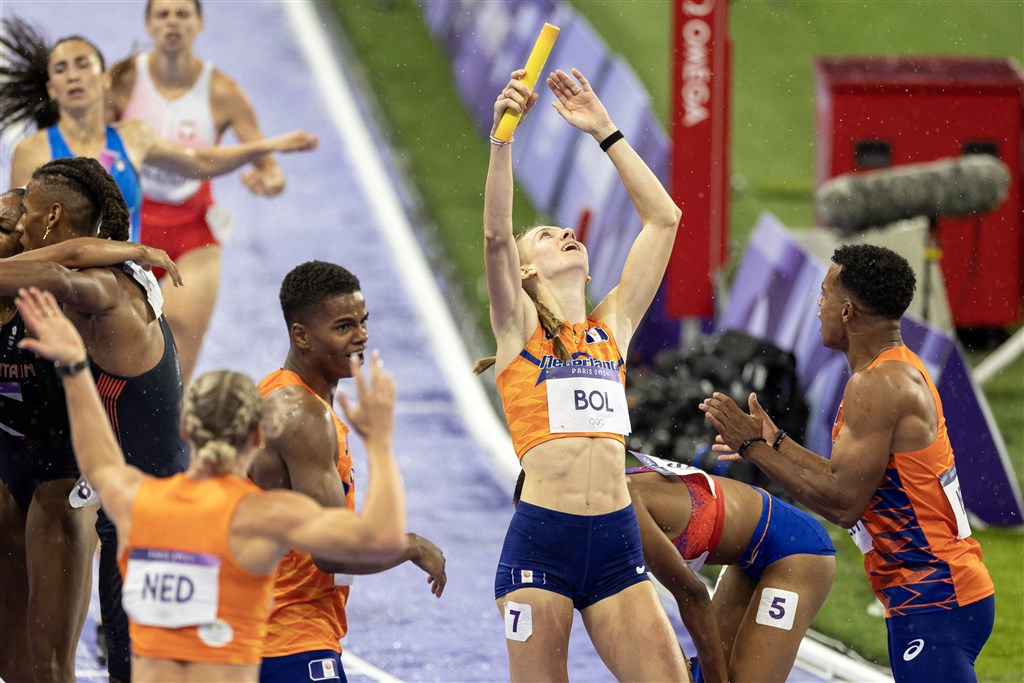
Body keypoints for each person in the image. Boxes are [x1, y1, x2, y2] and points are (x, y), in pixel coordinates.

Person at [13, 285, 407, 683]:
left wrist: (75, 369)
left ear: (185, 428)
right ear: (257, 435)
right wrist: (380, 442)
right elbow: (379, 540)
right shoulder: (265, 517)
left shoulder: (139, 502)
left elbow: (99, 459)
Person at [700, 244, 995, 682]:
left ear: (847, 312)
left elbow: (844, 503)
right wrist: (775, 441)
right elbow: (848, 477)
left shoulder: (879, 385)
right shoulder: (888, 371)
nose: (818, 305)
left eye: (824, 295)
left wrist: (753, 450)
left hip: (934, 596)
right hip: (931, 592)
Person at [479, 67, 689, 681]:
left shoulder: (612, 329)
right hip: (543, 543)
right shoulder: (519, 332)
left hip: (617, 542)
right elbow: (495, 236)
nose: (567, 233)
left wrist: (605, 130)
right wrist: (502, 141)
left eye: (567, 231)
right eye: (546, 236)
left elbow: (665, 220)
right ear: (523, 273)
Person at [0, 156, 191, 683]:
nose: (18, 226)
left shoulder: (100, 294)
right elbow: (68, 254)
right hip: (141, 514)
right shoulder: (116, 272)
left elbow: (57, 270)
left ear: (52, 215)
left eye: (26, 215)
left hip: (152, 529)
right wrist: (132, 246)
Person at [249, 260, 447, 683]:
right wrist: (409, 546)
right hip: (288, 638)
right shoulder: (303, 415)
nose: (361, 336)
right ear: (301, 335)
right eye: (343, 327)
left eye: (363, 321)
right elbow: (330, 552)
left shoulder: (283, 396)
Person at [0, 15, 316, 246]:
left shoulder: (133, 137)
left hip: (128, 291)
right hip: (62, 291)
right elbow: (19, 234)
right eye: (61, 69)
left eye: (83, 65)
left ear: (104, 78)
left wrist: (267, 146)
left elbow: (198, 162)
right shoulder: (33, 151)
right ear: (52, 89)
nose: (73, 76)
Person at [105, 0, 292, 389]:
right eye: (163, 14)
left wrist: (269, 181)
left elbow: (267, 164)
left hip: (192, 235)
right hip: (126, 228)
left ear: (199, 24)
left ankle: (164, 440)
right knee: (112, 352)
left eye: (182, 14)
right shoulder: (121, 81)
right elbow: (85, 135)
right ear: (148, 23)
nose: (173, 22)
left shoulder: (222, 92)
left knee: (175, 362)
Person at [623, 453, 835, 683]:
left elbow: (691, 595)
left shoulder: (624, 510)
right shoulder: (603, 498)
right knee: (701, 677)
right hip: (748, 551)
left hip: (797, 550)